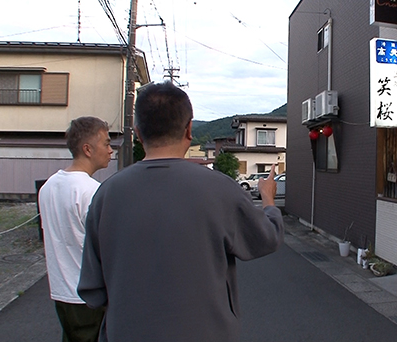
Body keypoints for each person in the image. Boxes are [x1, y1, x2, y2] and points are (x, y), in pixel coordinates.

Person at [78, 81, 284, 342]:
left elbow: (92, 291)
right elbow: (267, 237)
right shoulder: (220, 189)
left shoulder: (106, 195)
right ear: (189, 129)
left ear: (139, 134)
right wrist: (267, 197)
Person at [39, 116, 113, 342]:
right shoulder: (92, 191)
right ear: (88, 149)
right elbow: (107, 248)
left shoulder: (49, 186)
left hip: (61, 291)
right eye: (107, 143)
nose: (111, 150)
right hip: (89, 295)